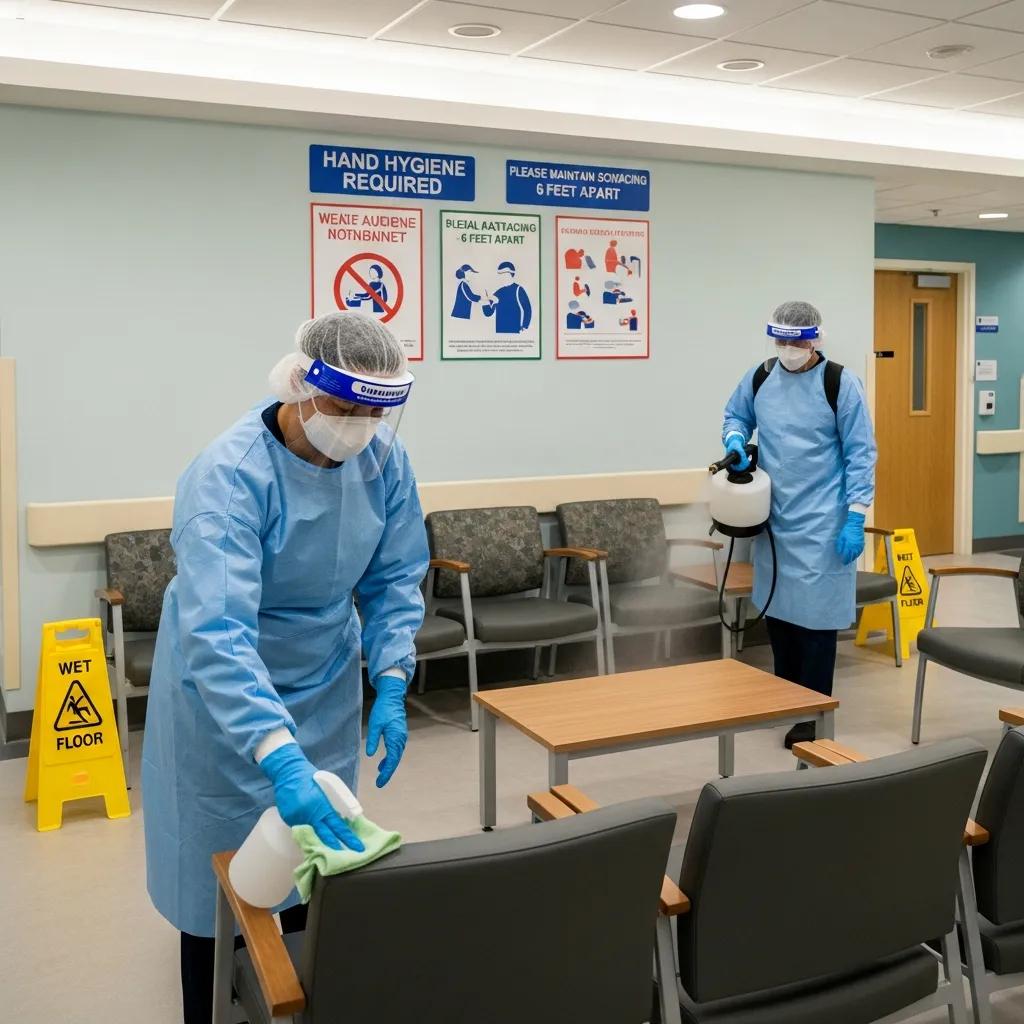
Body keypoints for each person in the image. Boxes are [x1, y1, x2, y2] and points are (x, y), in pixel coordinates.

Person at [142, 311, 429, 1024]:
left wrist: (390, 679)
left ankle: (295, 998)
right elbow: (220, 632)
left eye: (374, 411)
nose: (358, 425)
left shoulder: (383, 464)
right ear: (298, 385)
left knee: (313, 865)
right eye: (344, 406)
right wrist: (278, 755)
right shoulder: (229, 478)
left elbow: (395, 579)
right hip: (224, 695)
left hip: (326, 681)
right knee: (222, 881)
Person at [721, 301, 876, 748]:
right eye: (782, 341)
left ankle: (813, 713)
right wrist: (735, 439)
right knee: (779, 613)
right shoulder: (761, 377)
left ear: (816, 340)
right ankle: (783, 698)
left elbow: (861, 452)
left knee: (816, 621)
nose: (789, 349)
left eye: (797, 342)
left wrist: (856, 516)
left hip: (823, 519)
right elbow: (735, 416)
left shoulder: (840, 383)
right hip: (774, 517)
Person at [482, 260, 532, 334]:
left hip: (514, 331)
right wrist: (485, 300)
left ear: (512, 273)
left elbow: (527, 309)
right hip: (500, 331)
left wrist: (524, 326)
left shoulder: (518, 289)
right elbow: (488, 313)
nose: (502, 276)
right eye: (500, 274)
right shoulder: (498, 292)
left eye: (504, 273)